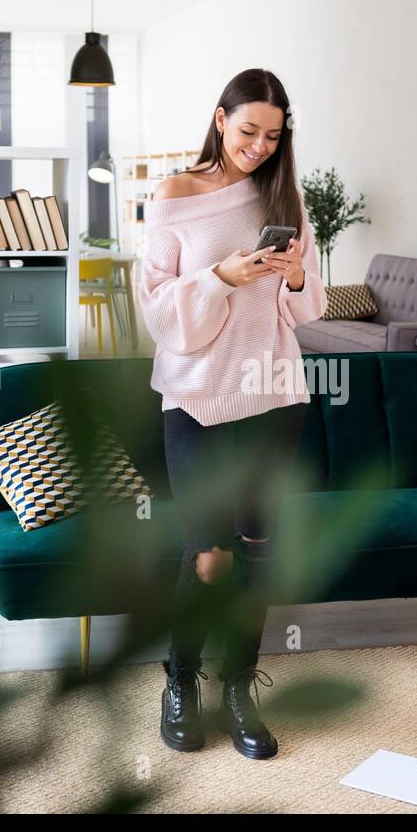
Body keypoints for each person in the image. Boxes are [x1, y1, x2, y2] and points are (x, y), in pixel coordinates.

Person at [137, 68, 327, 759]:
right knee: (210, 553)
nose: (258, 146)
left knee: (259, 548)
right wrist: (221, 277)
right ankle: (181, 683)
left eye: (273, 136)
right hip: (196, 397)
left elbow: (311, 309)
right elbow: (158, 311)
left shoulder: (285, 195)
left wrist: (296, 274)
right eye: (248, 131)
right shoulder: (174, 196)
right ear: (220, 119)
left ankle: (240, 687)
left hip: (274, 394)